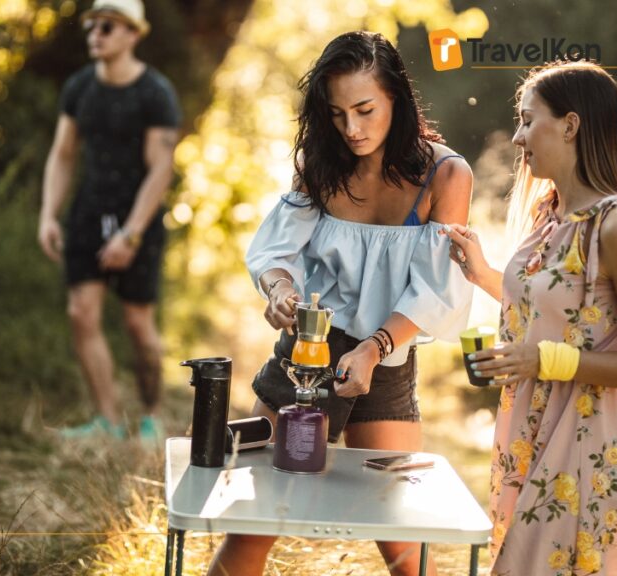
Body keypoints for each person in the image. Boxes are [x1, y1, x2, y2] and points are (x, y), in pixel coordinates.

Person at [208, 31, 474, 576]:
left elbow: (436, 292)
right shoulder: (320, 164)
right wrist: (280, 291)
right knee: (256, 522)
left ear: (397, 98)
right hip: (306, 351)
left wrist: (375, 349)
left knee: (402, 542)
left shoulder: (446, 175)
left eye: (365, 109)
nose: (351, 129)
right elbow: (274, 252)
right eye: (336, 114)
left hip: (389, 359)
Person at [443, 60, 617, 574]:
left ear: (570, 125)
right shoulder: (549, 216)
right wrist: (483, 273)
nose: (519, 137)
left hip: (586, 444)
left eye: (528, 121)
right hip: (528, 434)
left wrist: (543, 360)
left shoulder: (616, 226)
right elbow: (555, 310)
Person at [38, 0, 180, 441]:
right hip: (87, 213)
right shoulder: (79, 87)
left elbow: (161, 170)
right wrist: (48, 215)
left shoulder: (155, 93)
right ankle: (108, 421)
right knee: (81, 313)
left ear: (133, 34)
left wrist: (131, 235)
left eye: (108, 26)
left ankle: (152, 417)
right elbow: (63, 155)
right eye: (92, 26)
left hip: (137, 218)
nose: (95, 34)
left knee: (138, 323)